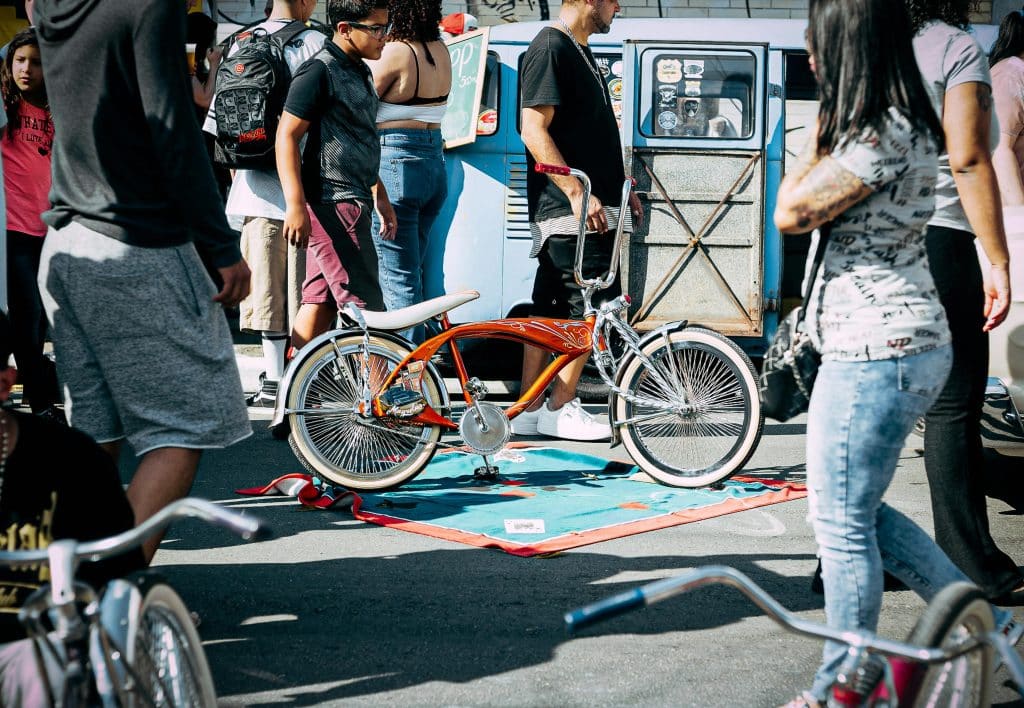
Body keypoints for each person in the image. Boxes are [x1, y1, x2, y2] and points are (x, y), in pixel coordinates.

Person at [772, 0, 1015, 704]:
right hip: (884, 339)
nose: (810, 54)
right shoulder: (883, 120)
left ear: (846, 46)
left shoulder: (876, 129)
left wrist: (820, 122)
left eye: (818, 42)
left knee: (841, 523)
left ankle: (845, 681)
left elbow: (789, 209)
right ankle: (991, 630)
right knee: (855, 510)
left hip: (877, 347)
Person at [34, 0, 252, 564]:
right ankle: (106, 597)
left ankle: (56, 590)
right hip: (137, 242)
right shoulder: (145, 3)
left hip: (68, 238)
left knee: (94, 435)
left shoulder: (56, 8)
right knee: (180, 431)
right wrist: (221, 245)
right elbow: (171, 126)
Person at [907, 0, 1024, 605]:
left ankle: (860, 550)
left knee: (876, 407)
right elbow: (970, 156)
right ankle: (973, 564)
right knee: (953, 407)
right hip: (940, 239)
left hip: (867, 241)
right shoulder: (955, 47)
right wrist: (998, 259)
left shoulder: (865, 48)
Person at [0, 309, 145, 703]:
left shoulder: (70, 458)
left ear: (5, 384)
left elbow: (119, 567)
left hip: (37, 641)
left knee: (40, 670)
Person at [514, 0, 642, 441]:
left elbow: (588, 132)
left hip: (591, 207)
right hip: (573, 213)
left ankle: (529, 409)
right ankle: (561, 406)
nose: (617, 7)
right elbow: (532, 128)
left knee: (549, 309)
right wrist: (575, 191)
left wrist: (621, 186)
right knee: (585, 310)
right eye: (612, 0)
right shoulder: (551, 45)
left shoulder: (578, 49)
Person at [202, 0, 325, 407]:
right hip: (302, 188)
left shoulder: (238, 43)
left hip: (252, 189)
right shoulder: (315, 44)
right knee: (303, 292)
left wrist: (242, 175)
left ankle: (272, 378)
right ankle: (296, 376)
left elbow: (219, 125)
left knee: (267, 293)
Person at [277, 0, 397, 353]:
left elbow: (357, 138)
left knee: (320, 303)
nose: (384, 37)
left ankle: (293, 398)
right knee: (366, 309)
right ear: (344, 29)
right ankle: (383, 401)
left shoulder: (360, 69)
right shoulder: (318, 72)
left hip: (353, 198)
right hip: (333, 203)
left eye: (385, 28)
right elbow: (286, 135)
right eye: (376, 29)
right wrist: (294, 205)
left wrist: (381, 194)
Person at [366, 0, 451, 343]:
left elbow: (357, 108)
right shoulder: (441, 49)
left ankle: (408, 381)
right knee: (411, 275)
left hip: (396, 163)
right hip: (433, 164)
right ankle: (419, 369)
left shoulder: (396, 52)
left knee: (398, 283)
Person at [1, 28, 60, 421]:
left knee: (36, 318)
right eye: (20, 60)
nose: (26, 69)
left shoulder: (59, 109)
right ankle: (40, 404)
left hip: (50, 232)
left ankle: (33, 396)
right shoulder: (6, 106)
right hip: (13, 229)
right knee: (24, 317)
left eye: (36, 62)